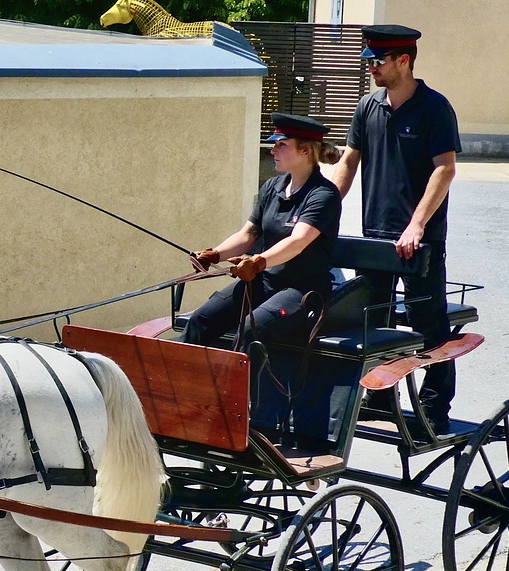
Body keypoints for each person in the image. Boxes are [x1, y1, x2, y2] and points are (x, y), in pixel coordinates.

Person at [330, 24, 462, 434]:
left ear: (403, 60)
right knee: (376, 320)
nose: (369, 66)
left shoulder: (435, 108)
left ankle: (434, 407)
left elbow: (445, 169)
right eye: (368, 58)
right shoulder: (368, 107)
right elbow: (349, 162)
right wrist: (320, 209)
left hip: (418, 240)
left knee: (428, 325)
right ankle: (381, 396)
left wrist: (417, 225)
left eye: (377, 60)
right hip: (375, 237)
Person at [180, 113, 342, 351]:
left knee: (250, 332)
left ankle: (237, 388)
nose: (273, 150)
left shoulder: (323, 195)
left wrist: (257, 263)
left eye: (281, 145)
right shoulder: (272, 187)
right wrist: (215, 254)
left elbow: (297, 242)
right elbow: (248, 234)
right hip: (264, 282)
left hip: (302, 290)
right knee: (200, 320)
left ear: (305, 151)